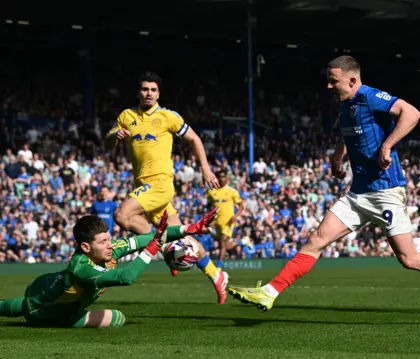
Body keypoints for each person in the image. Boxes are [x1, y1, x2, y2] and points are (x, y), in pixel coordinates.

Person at [228, 55, 420, 322]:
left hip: (386, 192)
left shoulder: (370, 96)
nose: (329, 86)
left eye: (334, 81)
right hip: (358, 194)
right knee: (316, 239)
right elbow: (351, 131)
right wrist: (338, 154)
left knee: (409, 259)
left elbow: (412, 114)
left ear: (352, 80)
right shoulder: (344, 104)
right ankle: (270, 292)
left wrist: (387, 145)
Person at [105, 71, 228, 304]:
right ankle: (216, 274)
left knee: (122, 215)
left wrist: (206, 169)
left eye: (152, 90)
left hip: (160, 184)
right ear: (138, 92)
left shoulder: (168, 117)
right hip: (144, 186)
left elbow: (195, 139)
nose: (148, 93)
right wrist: (115, 136)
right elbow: (108, 143)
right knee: (180, 237)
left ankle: (159, 248)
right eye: (144, 89)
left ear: (158, 93)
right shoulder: (126, 116)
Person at [0, 208, 217, 328]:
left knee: (19, 306)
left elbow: (148, 237)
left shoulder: (106, 250)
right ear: (86, 247)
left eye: (109, 239)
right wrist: (152, 249)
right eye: (103, 242)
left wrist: (192, 228)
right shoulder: (82, 268)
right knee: (117, 319)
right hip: (46, 313)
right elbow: (125, 278)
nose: (109, 245)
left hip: (49, 294)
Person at [206, 171, 245, 267]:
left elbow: (241, 206)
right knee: (222, 245)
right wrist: (210, 219)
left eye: (224, 178)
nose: (222, 179)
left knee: (223, 241)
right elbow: (208, 206)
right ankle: (239, 242)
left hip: (228, 222)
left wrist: (235, 216)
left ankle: (218, 267)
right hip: (217, 223)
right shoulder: (211, 192)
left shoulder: (232, 191)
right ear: (217, 179)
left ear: (227, 180)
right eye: (220, 177)